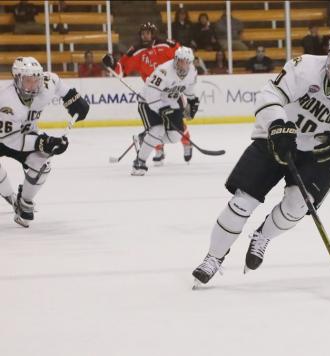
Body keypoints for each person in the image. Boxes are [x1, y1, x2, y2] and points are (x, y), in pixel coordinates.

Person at [191, 29, 330, 286]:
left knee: (295, 207)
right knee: (242, 202)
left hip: (318, 155)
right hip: (278, 140)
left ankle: (263, 235)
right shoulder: (304, 67)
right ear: (329, 56)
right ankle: (213, 258)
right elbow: (269, 94)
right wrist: (278, 125)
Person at [0, 57, 89, 227]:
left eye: (36, 79)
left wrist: (75, 100)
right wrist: (43, 142)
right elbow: (10, 140)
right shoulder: (6, 100)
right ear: (17, 79)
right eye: (28, 80)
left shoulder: (47, 83)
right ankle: (8, 195)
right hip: (5, 137)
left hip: (25, 135)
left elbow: (58, 84)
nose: (33, 84)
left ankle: (24, 202)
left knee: (42, 165)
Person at [102, 22, 195, 163]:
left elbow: (183, 56)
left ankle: (186, 143)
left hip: (172, 90)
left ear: (154, 33)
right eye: (143, 33)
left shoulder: (166, 45)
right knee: (155, 123)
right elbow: (122, 70)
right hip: (154, 93)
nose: (145, 35)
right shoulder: (136, 51)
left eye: (148, 32)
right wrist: (112, 63)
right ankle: (158, 148)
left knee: (177, 120)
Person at [131, 47, 199, 176]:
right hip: (148, 102)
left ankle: (145, 139)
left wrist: (192, 101)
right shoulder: (163, 71)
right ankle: (139, 162)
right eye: (180, 61)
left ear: (190, 63)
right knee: (158, 130)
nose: (182, 64)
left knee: (175, 136)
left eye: (186, 62)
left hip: (170, 103)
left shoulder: (192, 72)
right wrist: (161, 109)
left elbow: (189, 91)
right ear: (175, 60)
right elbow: (151, 94)